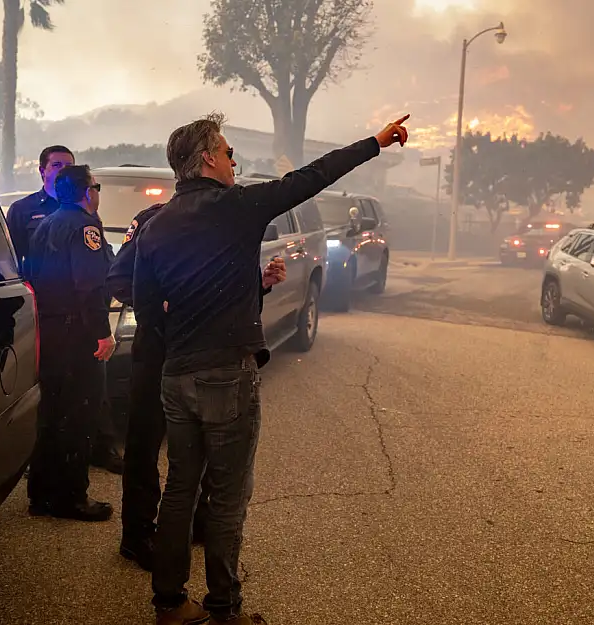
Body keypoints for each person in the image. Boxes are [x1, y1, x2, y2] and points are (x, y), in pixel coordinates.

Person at [133, 112, 409, 625]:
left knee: (179, 490)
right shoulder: (238, 208)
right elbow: (313, 176)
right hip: (225, 376)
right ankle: (225, 610)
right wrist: (374, 141)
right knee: (227, 498)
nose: (235, 160)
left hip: (176, 375)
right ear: (208, 159)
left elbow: (149, 314)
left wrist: (247, 291)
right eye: (228, 151)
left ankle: (169, 604)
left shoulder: (153, 227)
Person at [107, 199, 286, 572]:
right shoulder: (153, 220)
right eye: (226, 159)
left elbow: (225, 292)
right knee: (144, 446)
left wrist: (261, 283)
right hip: (157, 351)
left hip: (203, 356)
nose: (232, 169)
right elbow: (120, 278)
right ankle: (137, 536)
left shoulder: (225, 225)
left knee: (204, 443)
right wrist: (160, 304)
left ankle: (199, 525)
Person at [25, 164, 118, 522]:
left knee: (50, 414)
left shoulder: (46, 223)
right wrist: (101, 332)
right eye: (96, 187)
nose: (97, 193)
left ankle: (41, 494)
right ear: (86, 192)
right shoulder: (85, 226)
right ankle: (71, 498)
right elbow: (90, 285)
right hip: (76, 332)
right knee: (79, 415)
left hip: (48, 330)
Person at [6, 145, 73, 279]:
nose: (64, 170)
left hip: (76, 292)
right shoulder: (22, 209)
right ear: (42, 171)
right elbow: (12, 259)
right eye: (57, 165)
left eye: (69, 166)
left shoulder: (81, 206)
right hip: (39, 289)